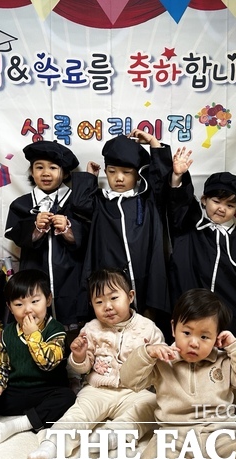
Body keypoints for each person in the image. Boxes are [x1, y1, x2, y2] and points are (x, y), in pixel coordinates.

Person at [120, 288, 236, 459]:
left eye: (204, 337)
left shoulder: (225, 361)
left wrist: (235, 346)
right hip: (175, 435)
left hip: (222, 434)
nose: (194, 343)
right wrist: (146, 353)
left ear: (217, 337)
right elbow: (129, 380)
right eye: (186, 332)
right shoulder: (162, 360)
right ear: (173, 328)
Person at [27, 268, 165, 459]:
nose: (107, 306)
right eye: (99, 302)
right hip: (98, 389)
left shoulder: (148, 328)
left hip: (136, 391)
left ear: (130, 296)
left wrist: (156, 354)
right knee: (79, 413)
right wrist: (79, 355)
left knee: (151, 406)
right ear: (92, 305)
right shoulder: (91, 329)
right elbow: (82, 369)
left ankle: (113, 435)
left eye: (114, 298)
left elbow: (161, 367)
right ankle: (52, 445)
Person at [70, 129, 173, 334]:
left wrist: (153, 142)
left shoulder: (147, 200)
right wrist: (89, 177)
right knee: (111, 330)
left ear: (137, 174)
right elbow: (80, 204)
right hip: (110, 282)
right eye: (112, 171)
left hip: (146, 277)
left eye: (126, 172)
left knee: (146, 331)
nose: (118, 178)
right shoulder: (101, 202)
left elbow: (161, 179)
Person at [0, 269, 76, 449]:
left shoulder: (56, 330)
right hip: (15, 391)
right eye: (19, 304)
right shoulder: (8, 332)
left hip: (46, 391)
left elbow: (48, 363)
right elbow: (1, 363)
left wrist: (33, 336)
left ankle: (19, 425)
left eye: (35, 301)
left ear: (48, 300)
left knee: (68, 398)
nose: (28, 309)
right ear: (10, 307)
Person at [166, 151, 236, 351]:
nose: (221, 209)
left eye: (229, 205)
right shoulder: (189, 225)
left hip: (228, 318)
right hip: (190, 311)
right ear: (204, 200)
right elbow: (179, 202)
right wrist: (177, 176)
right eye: (216, 201)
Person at [5, 140, 89, 334]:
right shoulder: (22, 204)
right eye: (39, 167)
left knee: (72, 330)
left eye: (53, 167)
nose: (45, 173)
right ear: (32, 172)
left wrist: (68, 228)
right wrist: (35, 227)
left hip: (71, 274)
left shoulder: (77, 203)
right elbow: (15, 233)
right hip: (34, 270)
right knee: (35, 325)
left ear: (65, 173)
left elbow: (89, 235)